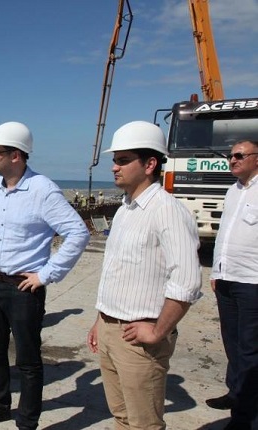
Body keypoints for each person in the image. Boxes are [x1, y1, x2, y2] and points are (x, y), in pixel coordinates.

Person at [0, 121, 90, 430]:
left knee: (28, 359)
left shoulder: (43, 190)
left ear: (16, 155)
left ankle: (26, 421)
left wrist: (46, 275)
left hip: (23, 289)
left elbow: (77, 233)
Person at [87, 121, 202, 429]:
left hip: (140, 340)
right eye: (115, 160)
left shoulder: (167, 210)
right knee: (122, 417)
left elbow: (188, 281)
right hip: (112, 329)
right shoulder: (125, 209)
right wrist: (101, 320)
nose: (114, 167)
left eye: (123, 160)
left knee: (143, 424)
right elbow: (117, 272)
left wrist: (157, 331)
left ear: (150, 164)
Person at [206, 139, 258, 430]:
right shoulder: (232, 191)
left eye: (239, 155)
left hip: (252, 281)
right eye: (230, 155)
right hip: (226, 278)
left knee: (250, 349)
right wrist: (216, 272)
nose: (232, 159)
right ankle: (235, 393)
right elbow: (224, 236)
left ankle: (244, 417)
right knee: (232, 344)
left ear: (257, 159)